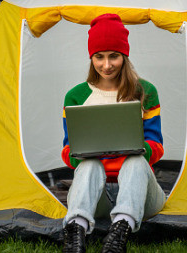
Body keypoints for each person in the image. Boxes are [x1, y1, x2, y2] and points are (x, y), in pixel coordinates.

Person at [61, 13, 166, 253]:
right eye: (99, 57)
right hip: (96, 196)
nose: (106, 65)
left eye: (113, 57)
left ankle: (119, 233)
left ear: (124, 56)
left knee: (136, 161)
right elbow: (67, 152)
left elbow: (157, 147)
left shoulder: (145, 91)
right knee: (88, 166)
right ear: (91, 58)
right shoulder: (75, 97)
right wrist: (90, 153)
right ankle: (75, 234)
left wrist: (133, 150)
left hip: (139, 192)